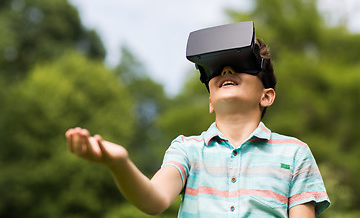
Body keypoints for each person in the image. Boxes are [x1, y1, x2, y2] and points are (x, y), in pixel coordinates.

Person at [66, 22, 330, 217]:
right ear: (210, 102)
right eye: (216, 70)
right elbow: (154, 200)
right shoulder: (187, 150)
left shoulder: (295, 154)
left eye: (240, 64)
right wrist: (120, 164)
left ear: (267, 96)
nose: (226, 69)